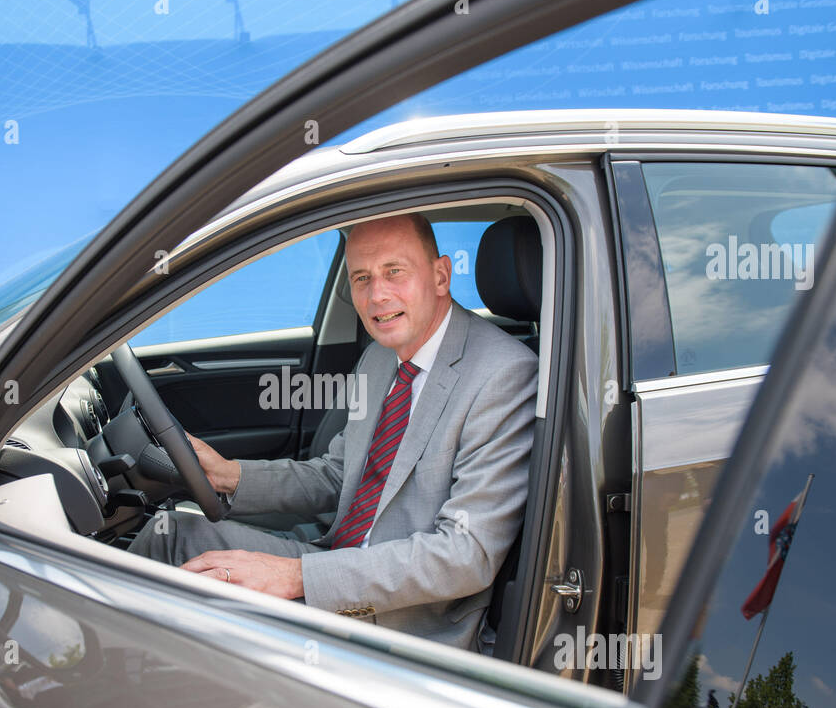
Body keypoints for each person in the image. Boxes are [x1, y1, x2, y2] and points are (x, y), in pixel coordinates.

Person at [127, 213, 537, 650]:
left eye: (394, 272)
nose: (377, 295)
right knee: (169, 536)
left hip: (405, 619)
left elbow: (465, 555)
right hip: (334, 557)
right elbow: (339, 476)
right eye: (361, 278)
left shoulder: (502, 375)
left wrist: (294, 576)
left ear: (440, 275)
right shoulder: (382, 358)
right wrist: (227, 474)